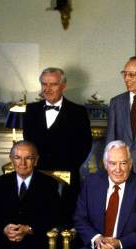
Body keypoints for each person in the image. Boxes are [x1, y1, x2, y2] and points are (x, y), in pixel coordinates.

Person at [23, 67, 92, 224]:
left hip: (67, 174)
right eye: (44, 84)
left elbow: (85, 145)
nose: (47, 89)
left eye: (53, 84)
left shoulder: (78, 112)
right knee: (36, 218)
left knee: (64, 220)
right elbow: (28, 142)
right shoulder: (31, 110)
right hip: (37, 173)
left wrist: (67, 168)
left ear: (63, 86)